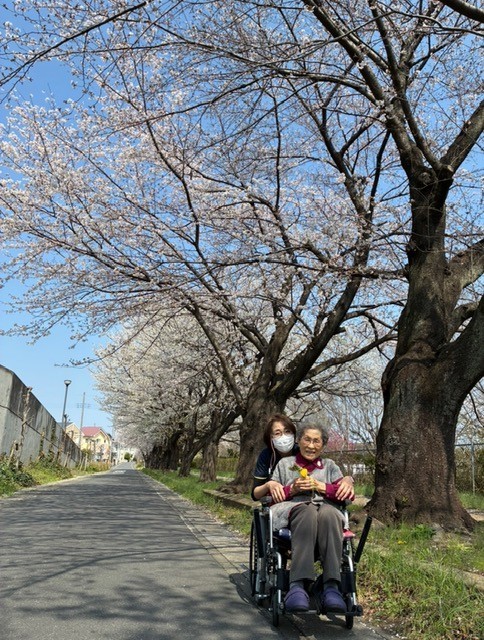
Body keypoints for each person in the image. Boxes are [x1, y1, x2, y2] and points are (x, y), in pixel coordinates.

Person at [269, 422, 355, 614]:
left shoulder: (330, 466)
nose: (311, 445)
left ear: (323, 445)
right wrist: (292, 489)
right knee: (307, 511)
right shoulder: (285, 464)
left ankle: (331, 586)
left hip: (325, 513)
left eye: (316, 441)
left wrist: (324, 487)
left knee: (329, 513)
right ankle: (297, 585)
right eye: (307, 439)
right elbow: (271, 498)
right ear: (298, 441)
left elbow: (348, 496)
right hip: (293, 511)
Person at [251, 413, 298, 503]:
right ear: (271, 438)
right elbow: (255, 495)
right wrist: (268, 485)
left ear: (293, 434)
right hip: (276, 503)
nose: (284, 437)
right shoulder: (266, 455)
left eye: (287, 431)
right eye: (277, 433)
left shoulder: (301, 452)